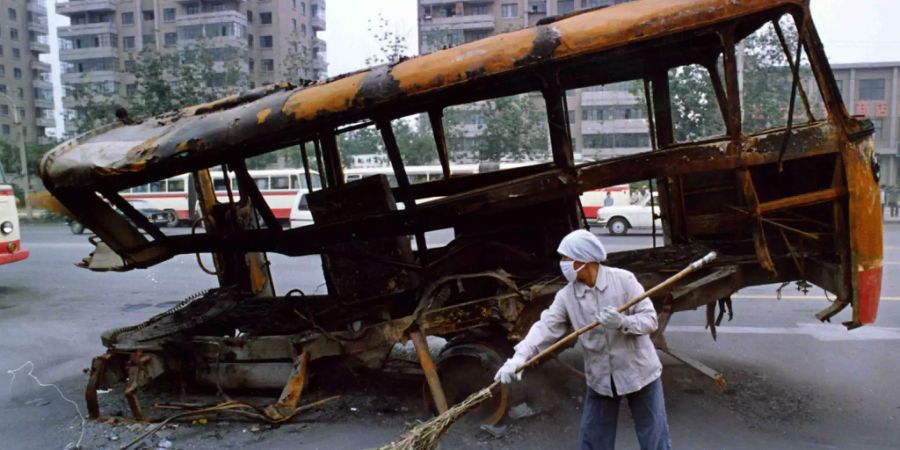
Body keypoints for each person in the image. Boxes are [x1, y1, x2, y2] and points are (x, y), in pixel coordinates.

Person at [495, 230, 670, 450]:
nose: (562, 264)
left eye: (566, 258)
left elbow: (650, 320)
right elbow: (545, 327)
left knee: (655, 442)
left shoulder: (624, 281)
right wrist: (518, 358)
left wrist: (623, 322)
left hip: (640, 374)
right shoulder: (567, 296)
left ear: (583, 259)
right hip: (601, 379)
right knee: (593, 443)